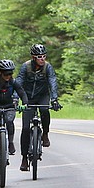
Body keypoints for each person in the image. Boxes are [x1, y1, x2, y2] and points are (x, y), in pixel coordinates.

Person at [15, 43, 61, 172]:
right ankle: (24, 158)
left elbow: (52, 82)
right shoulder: (26, 67)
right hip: (28, 97)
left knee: (45, 110)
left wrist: (55, 99)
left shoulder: (48, 67)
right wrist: (15, 98)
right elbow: (18, 82)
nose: (42, 59)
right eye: (39, 56)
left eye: (44, 56)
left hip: (42, 95)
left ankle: (45, 134)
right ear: (33, 57)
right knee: (25, 129)